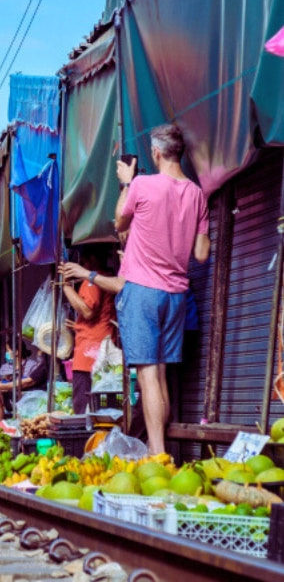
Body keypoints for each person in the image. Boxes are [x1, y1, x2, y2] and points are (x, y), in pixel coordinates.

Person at [113, 123, 210, 455]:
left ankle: (157, 454)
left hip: (142, 290)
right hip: (176, 294)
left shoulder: (142, 185)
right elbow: (201, 253)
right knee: (162, 374)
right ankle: (163, 454)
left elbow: (119, 222)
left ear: (156, 153)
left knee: (148, 374)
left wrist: (127, 183)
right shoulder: (197, 194)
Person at [59, 246, 117, 414]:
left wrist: (66, 286)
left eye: (82, 262)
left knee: (83, 408)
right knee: (103, 409)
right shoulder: (107, 277)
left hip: (89, 354)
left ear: (92, 259)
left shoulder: (92, 280)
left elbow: (87, 311)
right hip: (102, 349)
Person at [0, 342, 47, 425]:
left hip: (26, 398)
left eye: (7, 350)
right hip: (9, 399)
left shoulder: (32, 365)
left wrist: (3, 386)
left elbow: (29, 383)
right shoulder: (4, 368)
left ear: (16, 352)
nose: (6, 353)